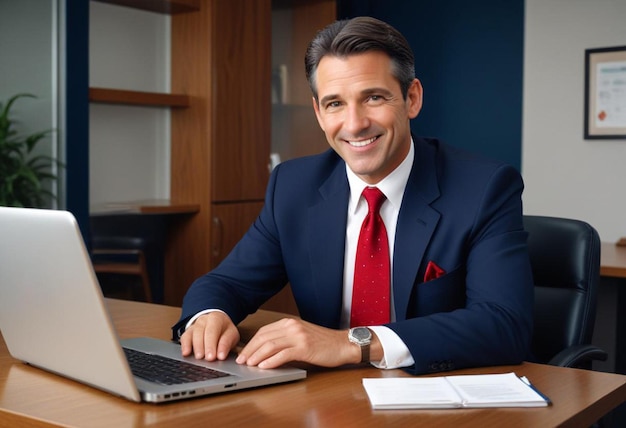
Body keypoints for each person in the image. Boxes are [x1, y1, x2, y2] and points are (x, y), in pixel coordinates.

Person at [172, 16, 533, 375]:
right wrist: (209, 316)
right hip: (327, 398)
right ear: (318, 113)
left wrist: (350, 343)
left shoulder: (484, 188)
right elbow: (227, 283)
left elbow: (503, 324)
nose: (355, 123)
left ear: (412, 98)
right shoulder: (293, 186)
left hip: (433, 396)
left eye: (373, 97)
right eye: (334, 104)